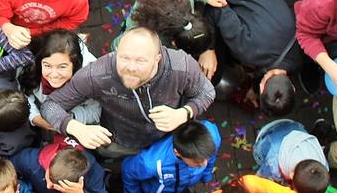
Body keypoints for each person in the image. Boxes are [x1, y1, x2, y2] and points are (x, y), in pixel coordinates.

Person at [42, 27, 214, 157]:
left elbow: (207, 92)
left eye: (140, 61)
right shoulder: (98, 74)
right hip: (121, 140)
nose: (130, 67)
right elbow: (50, 106)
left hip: (167, 139)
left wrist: (184, 113)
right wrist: (76, 128)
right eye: (124, 58)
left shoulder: (181, 67)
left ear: (157, 59)